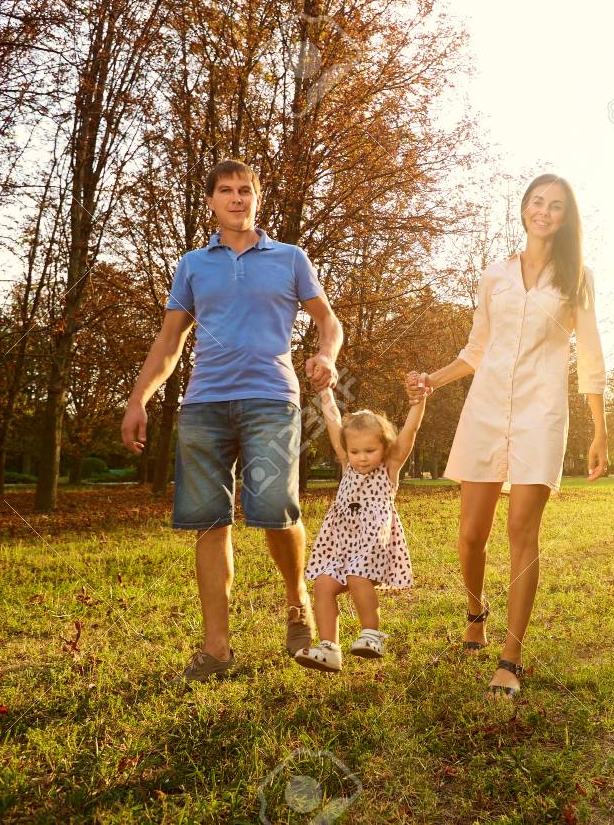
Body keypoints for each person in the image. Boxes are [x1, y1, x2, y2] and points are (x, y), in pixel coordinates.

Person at [121, 159, 342, 684]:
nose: (237, 199)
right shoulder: (193, 265)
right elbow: (169, 340)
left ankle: (296, 599)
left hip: (271, 398)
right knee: (208, 520)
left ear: (257, 199)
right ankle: (216, 650)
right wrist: (138, 399)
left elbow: (327, 319)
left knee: (273, 509)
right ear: (212, 201)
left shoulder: (289, 258)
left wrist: (327, 354)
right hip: (205, 404)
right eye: (227, 191)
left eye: (246, 191)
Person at [408, 173, 608, 699]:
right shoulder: (494, 275)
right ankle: (475, 613)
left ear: (567, 218)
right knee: (472, 534)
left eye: (556, 206)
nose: (544, 212)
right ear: (523, 209)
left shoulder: (577, 278)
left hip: (542, 415)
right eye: (537, 202)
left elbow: (589, 356)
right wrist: (434, 377)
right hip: (487, 410)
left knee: (522, 531)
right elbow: (477, 348)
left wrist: (600, 430)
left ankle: (511, 658)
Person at [293, 383, 425, 672]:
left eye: (369, 450)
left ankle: (371, 635)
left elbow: (409, 433)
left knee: (357, 576)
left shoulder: (389, 467)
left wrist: (419, 400)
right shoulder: (347, 464)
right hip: (340, 541)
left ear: (384, 448)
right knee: (324, 584)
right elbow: (333, 424)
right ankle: (329, 647)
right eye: (355, 451)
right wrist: (326, 393)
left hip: (372, 541)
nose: (362, 457)